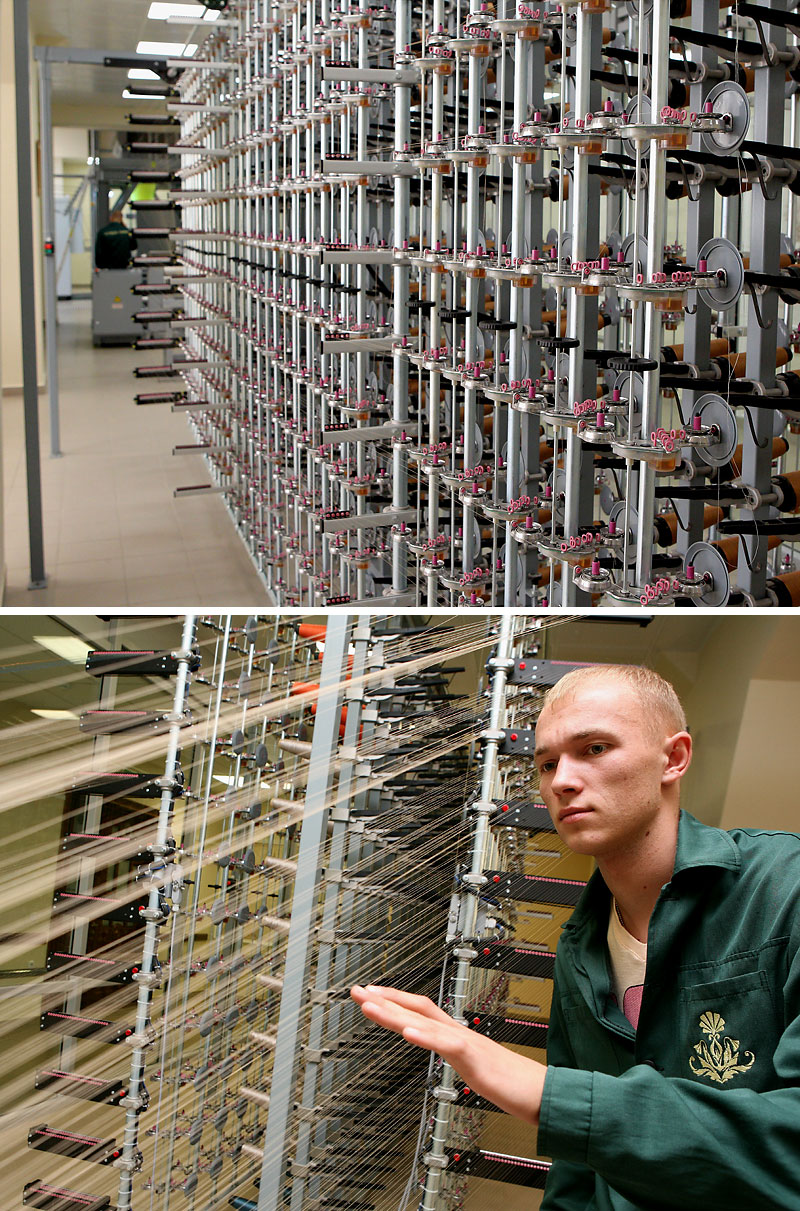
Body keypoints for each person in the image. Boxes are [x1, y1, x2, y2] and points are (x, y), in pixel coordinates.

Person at [351, 665, 800, 1210]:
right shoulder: (578, 949)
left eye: (594, 748)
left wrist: (547, 1094)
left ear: (674, 758)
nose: (561, 779)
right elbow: (581, 1168)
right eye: (546, 762)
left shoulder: (785, 891)